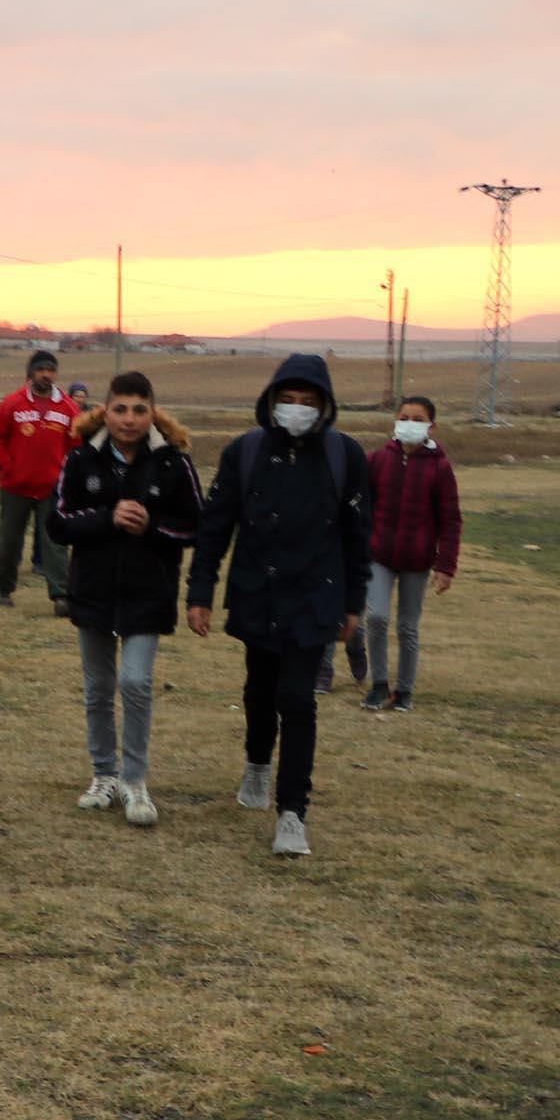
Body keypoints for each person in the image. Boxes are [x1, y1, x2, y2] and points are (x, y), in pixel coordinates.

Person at [186, 352, 373, 858]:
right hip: (257, 593)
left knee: (298, 698)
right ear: (271, 401)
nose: (296, 409)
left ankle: (292, 813)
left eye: (308, 402)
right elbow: (215, 526)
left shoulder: (345, 458)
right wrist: (199, 592)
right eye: (287, 400)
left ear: (325, 406)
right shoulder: (244, 452)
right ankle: (257, 763)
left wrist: (354, 603)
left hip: (316, 598)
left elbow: (358, 538)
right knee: (259, 689)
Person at [48, 372, 202, 828]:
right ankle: (104, 775)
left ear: (152, 412)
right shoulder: (80, 461)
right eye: (120, 409)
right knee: (98, 688)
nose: (129, 419)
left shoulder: (174, 464)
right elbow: (57, 523)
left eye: (139, 409)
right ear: (105, 411)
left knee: (134, 684)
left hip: (147, 594)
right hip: (93, 592)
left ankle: (135, 780)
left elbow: (196, 527)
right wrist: (106, 517)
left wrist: (150, 525)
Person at [361, 396, 460, 713]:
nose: (410, 423)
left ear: (432, 425)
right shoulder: (377, 460)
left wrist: (445, 566)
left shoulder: (440, 467)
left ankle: (404, 691)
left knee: (407, 626)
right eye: (405, 417)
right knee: (375, 617)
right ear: (395, 419)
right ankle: (378, 685)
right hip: (379, 554)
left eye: (418, 419)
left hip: (417, 559)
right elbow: (360, 504)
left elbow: (451, 519)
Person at [0, 349, 75, 612]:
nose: (46, 375)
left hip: (51, 488)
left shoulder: (68, 407)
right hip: (15, 486)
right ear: (31, 373)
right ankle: (2, 589)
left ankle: (61, 595)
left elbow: (76, 444)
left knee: (55, 542)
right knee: (10, 540)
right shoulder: (12, 403)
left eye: (51, 370)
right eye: (41, 370)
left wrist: (66, 473)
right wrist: (6, 466)